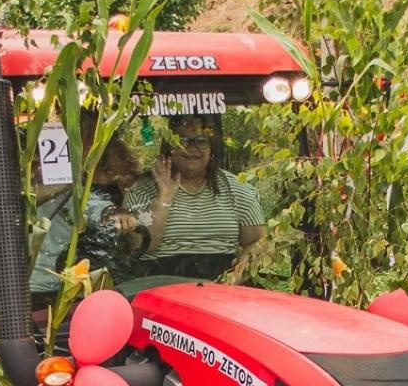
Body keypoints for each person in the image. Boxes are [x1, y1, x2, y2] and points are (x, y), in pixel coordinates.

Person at [122, 115, 266, 281]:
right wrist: (164, 197)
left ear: (212, 147)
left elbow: (258, 242)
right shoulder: (141, 190)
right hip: (159, 286)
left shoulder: (238, 189)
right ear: (169, 148)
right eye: (182, 140)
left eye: (201, 140)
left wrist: (234, 278)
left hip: (221, 289)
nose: (191, 147)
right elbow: (141, 245)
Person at [29, 133, 150, 300]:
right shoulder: (7, 202)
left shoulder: (70, 197)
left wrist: (113, 212)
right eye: (35, 163)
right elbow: (27, 197)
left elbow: (92, 206)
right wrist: (68, 181)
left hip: (62, 291)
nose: (38, 169)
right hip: (26, 292)